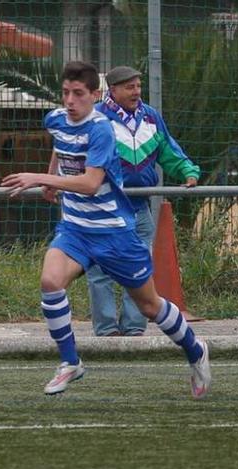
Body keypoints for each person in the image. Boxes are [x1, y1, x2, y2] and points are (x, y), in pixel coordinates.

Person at [1, 61, 211, 398]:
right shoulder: (54, 119)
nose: (70, 100)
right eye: (66, 93)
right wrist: (51, 176)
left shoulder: (101, 129)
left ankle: (195, 350)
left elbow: (90, 182)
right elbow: (60, 144)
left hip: (114, 231)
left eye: (79, 94)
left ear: (95, 95)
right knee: (50, 282)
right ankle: (71, 363)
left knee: (149, 306)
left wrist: (40, 178)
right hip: (75, 229)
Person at [88, 65, 200, 337]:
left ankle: (134, 326)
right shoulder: (97, 119)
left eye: (138, 86)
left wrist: (188, 171)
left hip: (139, 208)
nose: (136, 92)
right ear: (112, 90)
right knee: (101, 269)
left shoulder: (150, 117)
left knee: (139, 267)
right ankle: (106, 329)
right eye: (130, 87)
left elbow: (167, 150)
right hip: (105, 208)